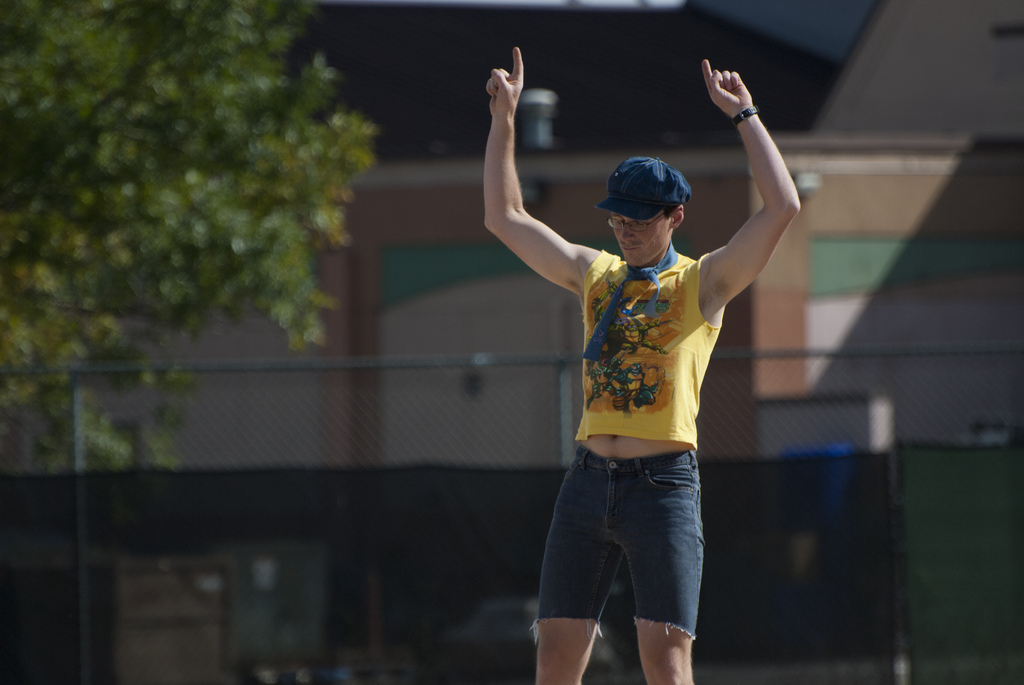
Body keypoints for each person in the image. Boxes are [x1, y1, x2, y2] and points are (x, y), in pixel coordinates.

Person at [484, 47, 799, 685]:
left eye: (640, 217)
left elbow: (782, 207)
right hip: (587, 482)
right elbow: (505, 217)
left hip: (663, 489)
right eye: (617, 216)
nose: (625, 228)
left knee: (665, 658)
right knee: (554, 658)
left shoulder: (701, 283)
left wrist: (746, 116)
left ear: (674, 217)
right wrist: (504, 120)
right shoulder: (594, 274)